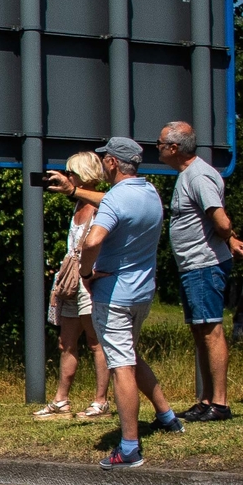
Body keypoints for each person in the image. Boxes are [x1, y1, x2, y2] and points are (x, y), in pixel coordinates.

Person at [78, 136, 186, 466]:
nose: (101, 164)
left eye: (104, 159)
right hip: (142, 292)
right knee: (131, 355)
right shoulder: (151, 193)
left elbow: (93, 239)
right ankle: (167, 416)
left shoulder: (113, 200)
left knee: (121, 365)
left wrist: (86, 272)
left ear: (112, 163)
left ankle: (129, 447)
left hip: (113, 293)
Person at [159, 122, 243, 420]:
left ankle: (220, 404)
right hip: (192, 265)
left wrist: (229, 236)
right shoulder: (189, 174)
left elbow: (220, 220)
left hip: (204, 263)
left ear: (174, 148)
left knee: (211, 330)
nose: (156, 147)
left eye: (160, 143)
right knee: (200, 330)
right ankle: (205, 400)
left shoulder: (198, 176)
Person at [36, 150, 111, 421]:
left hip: (89, 281)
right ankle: (61, 400)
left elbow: (108, 203)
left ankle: (100, 401)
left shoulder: (101, 203)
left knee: (95, 342)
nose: (67, 178)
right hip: (70, 281)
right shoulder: (78, 205)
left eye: (71, 173)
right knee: (66, 342)